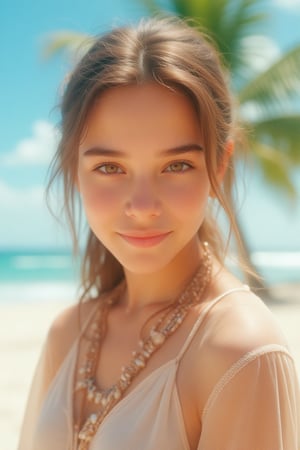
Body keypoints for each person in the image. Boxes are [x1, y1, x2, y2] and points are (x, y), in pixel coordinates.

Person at [18, 16, 299, 450]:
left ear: (219, 166)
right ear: (76, 169)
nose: (144, 207)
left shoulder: (239, 352)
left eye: (176, 166)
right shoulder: (69, 332)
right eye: (110, 168)